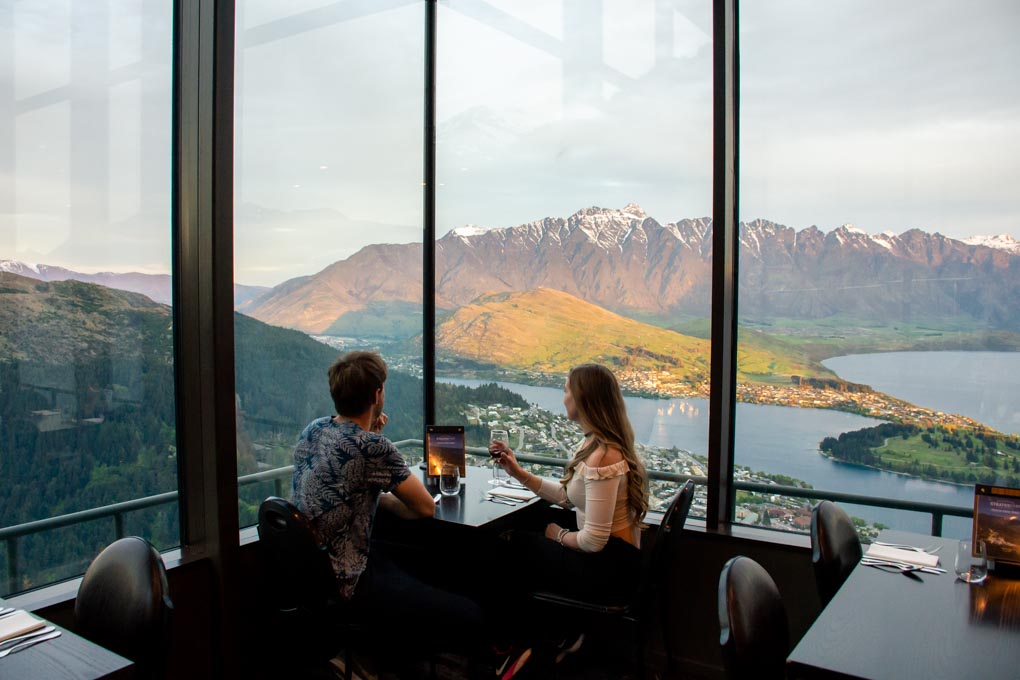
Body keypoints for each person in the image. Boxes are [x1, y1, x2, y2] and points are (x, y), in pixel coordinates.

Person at [291, 350, 486, 669]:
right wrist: (377, 452)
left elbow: (346, 482)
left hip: (314, 572)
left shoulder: (313, 430)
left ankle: (370, 656)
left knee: (410, 573)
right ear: (377, 394)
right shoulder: (373, 447)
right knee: (470, 613)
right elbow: (423, 507)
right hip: (350, 578)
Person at [489, 363, 650, 606]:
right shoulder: (594, 444)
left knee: (512, 544)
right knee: (529, 525)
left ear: (583, 399)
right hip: (609, 559)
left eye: (566, 391)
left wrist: (559, 535)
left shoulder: (603, 456)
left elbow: (594, 541)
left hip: (610, 569)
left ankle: (537, 632)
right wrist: (517, 472)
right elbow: (567, 497)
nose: (564, 399)